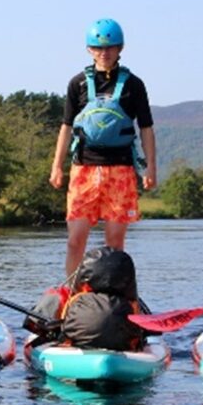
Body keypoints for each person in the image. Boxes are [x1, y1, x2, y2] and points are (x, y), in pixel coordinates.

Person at [49, 18, 157, 277]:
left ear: (120, 49)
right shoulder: (78, 84)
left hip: (120, 169)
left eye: (110, 48)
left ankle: (115, 294)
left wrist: (151, 166)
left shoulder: (133, 85)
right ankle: (71, 292)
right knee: (75, 240)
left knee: (115, 244)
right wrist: (56, 167)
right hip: (83, 168)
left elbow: (146, 128)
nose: (104, 53)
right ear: (89, 50)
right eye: (98, 48)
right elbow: (66, 127)